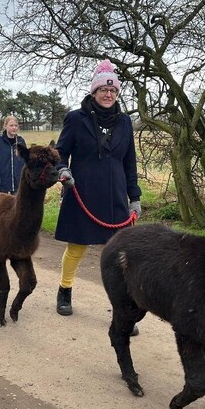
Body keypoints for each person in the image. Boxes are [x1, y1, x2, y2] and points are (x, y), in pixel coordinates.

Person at [54, 59, 142, 323]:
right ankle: (65, 291)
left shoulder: (125, 122)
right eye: (104, 90)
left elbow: (129, 161)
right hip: (82, 193)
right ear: (94, 92)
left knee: (117, 256)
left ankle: (121, 309)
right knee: (77, 248)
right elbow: (61, 153)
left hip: (115, 197)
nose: (108, 94)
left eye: (113, 90)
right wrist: (62, 170)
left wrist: (134, 197)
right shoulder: (75, 119)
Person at [0, 115, 27, 194]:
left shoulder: (21, 142)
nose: (14, 128)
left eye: (16, 126)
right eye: (11, 125)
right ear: (5, 126)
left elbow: (25, 163)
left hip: (18, 185)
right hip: (2, 185)